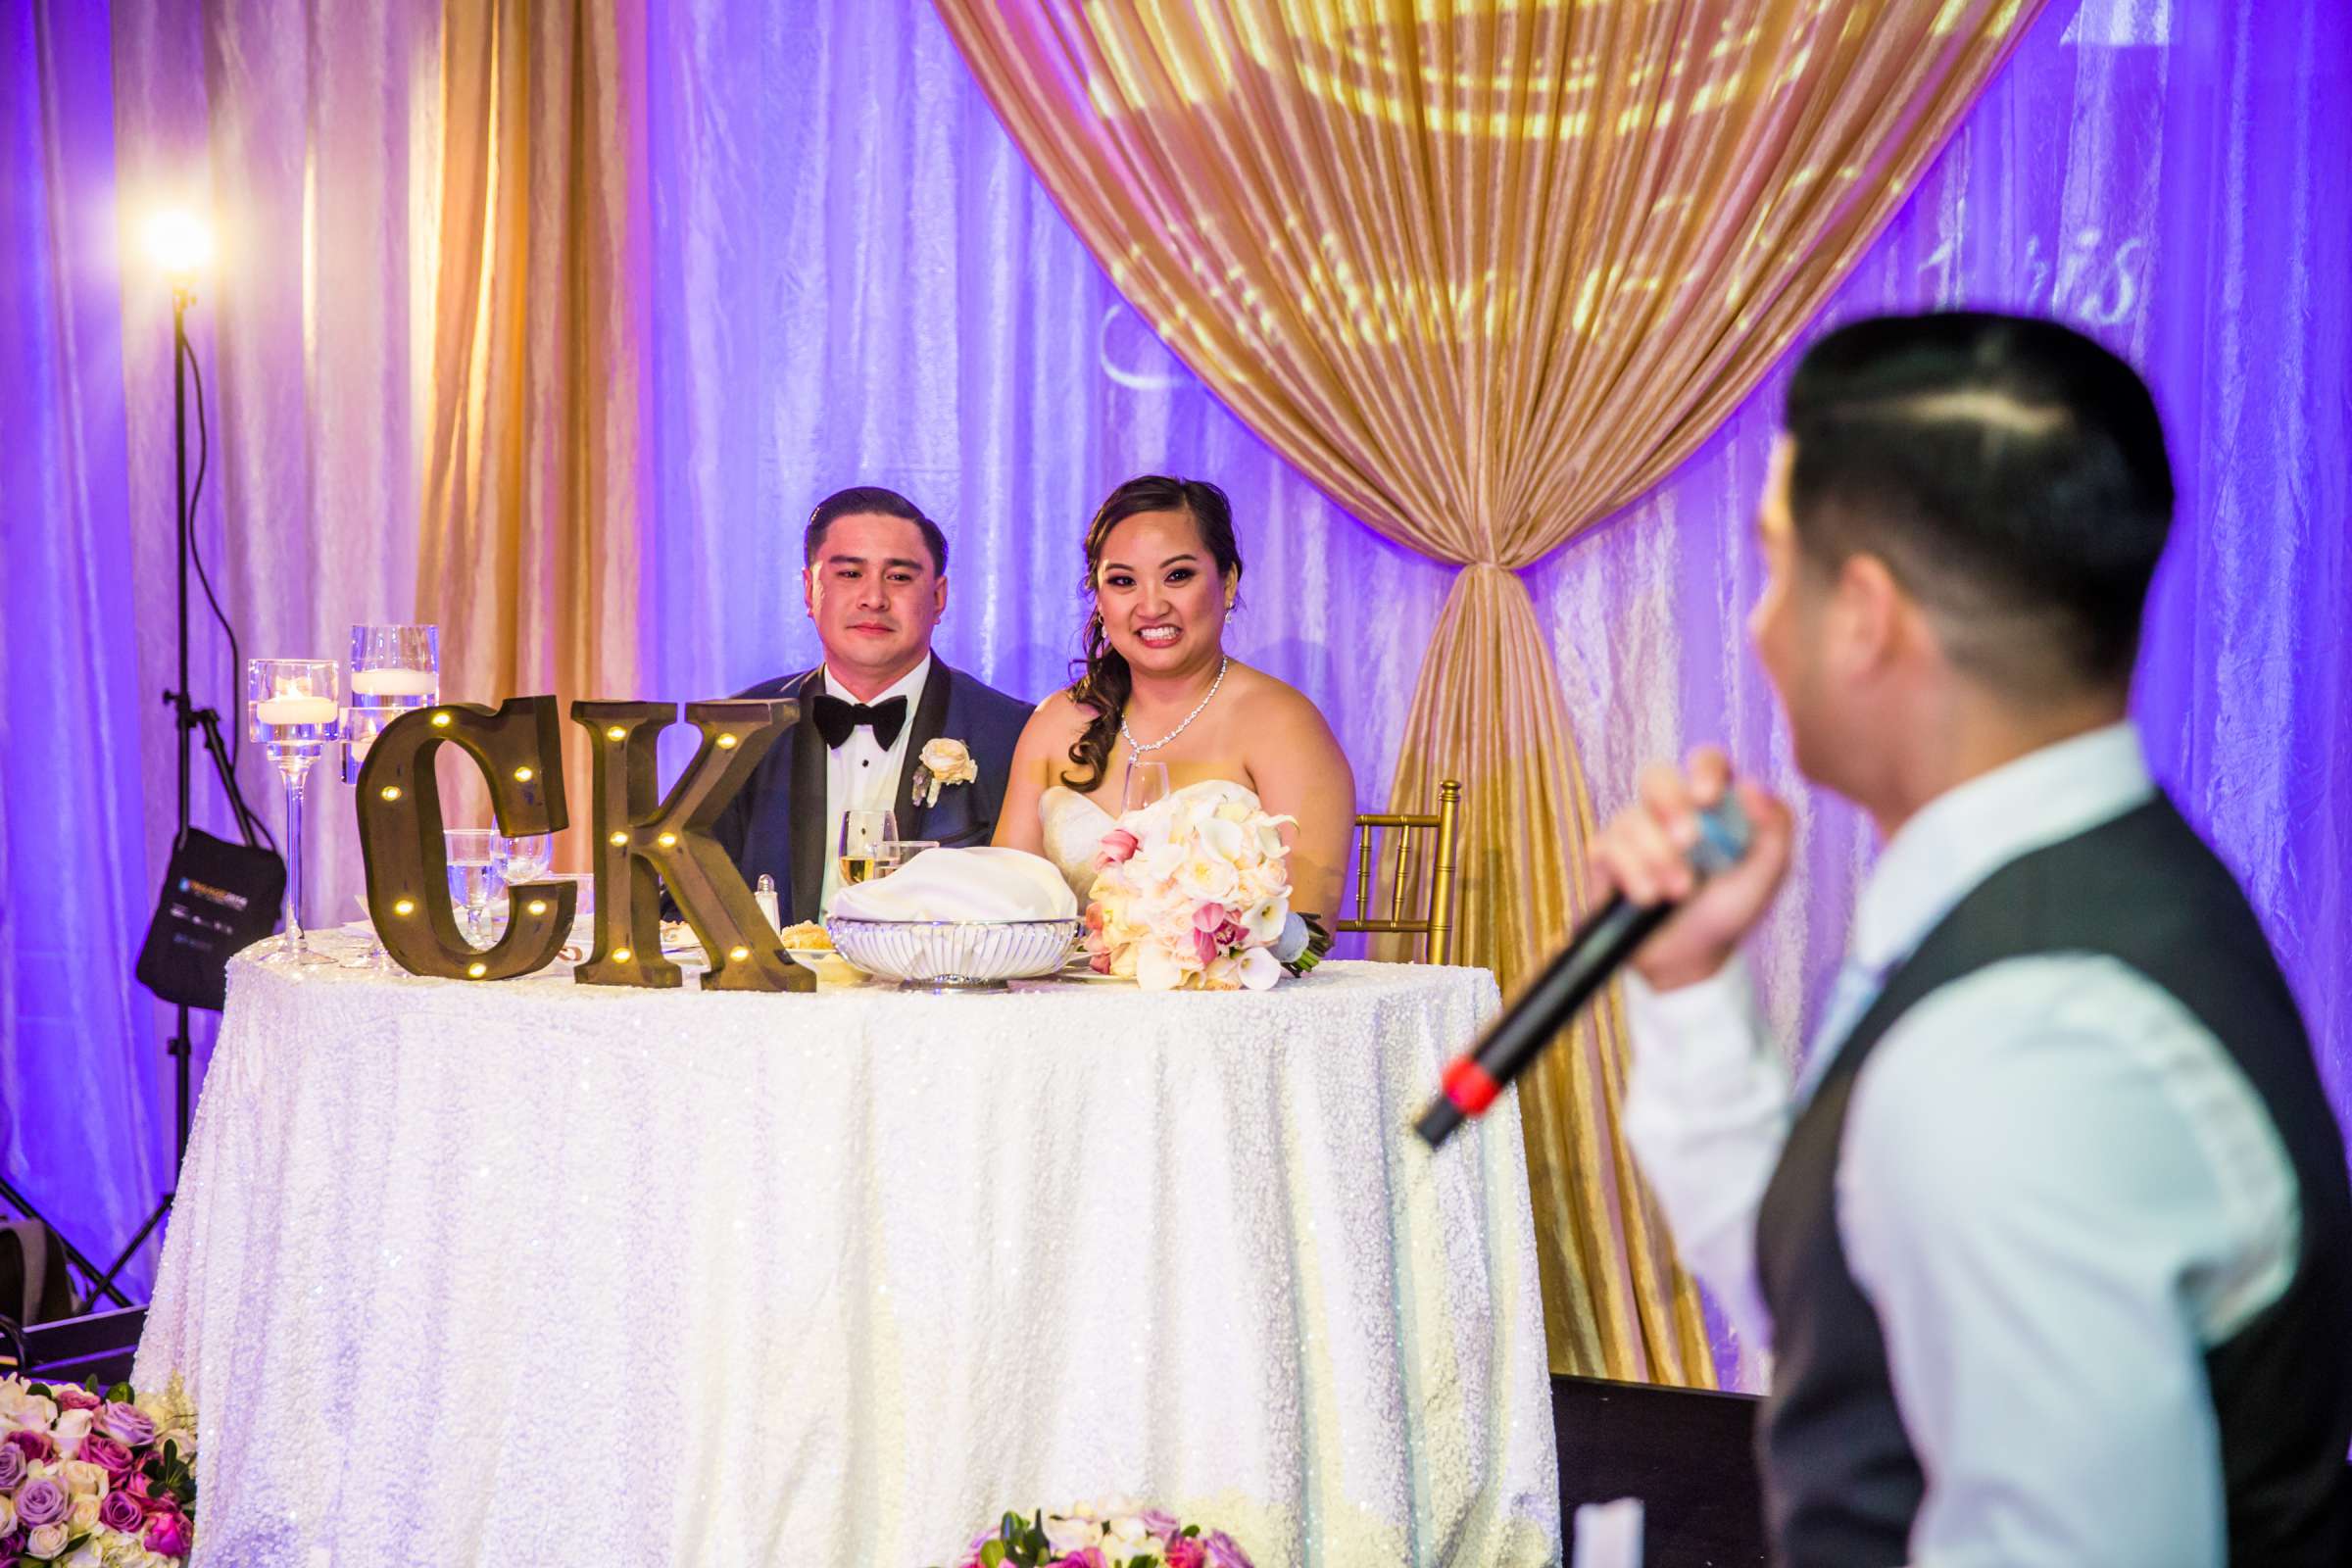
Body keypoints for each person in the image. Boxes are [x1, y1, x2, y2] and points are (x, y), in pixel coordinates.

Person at [1591, 313, 2352, 1566]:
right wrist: (1688, 984)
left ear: (1867, 617)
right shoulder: (2090, 888)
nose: (1755, 624)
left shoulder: (2029, 1041)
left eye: (1777, 568)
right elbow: (1842, 1319)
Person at [994, 475, 1355, 917]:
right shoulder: (1057, 722)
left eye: (1177, 576)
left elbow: (1305, 929)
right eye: (1124, 581)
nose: (1151, 606)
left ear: (1227, 583)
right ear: (1100, 601)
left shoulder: (1283, 724)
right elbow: (1005, 910)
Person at [711, 486, 1030, 924]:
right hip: (776, 990)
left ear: (938, 598)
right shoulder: (741, 727)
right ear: (809, 590)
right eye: (849, 575)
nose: (874, 599)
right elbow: (682, 899)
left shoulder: (1013, 733)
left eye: (899, 577)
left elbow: (1031, 904)